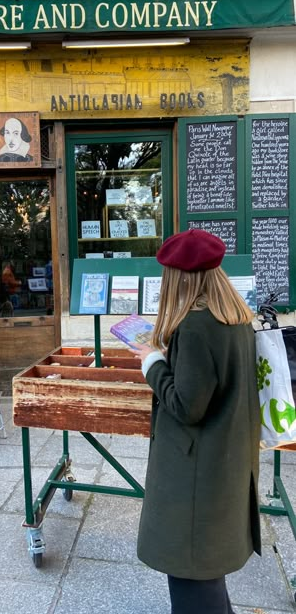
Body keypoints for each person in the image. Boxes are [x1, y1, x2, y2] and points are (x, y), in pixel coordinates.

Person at [132, 229, 261, 614]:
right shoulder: (236, 317)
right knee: (208, 576)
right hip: (224, 465)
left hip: (194, 478)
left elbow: (187, 406)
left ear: (180, 278)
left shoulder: (195, 325)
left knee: (191, 578)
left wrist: (152, 363)